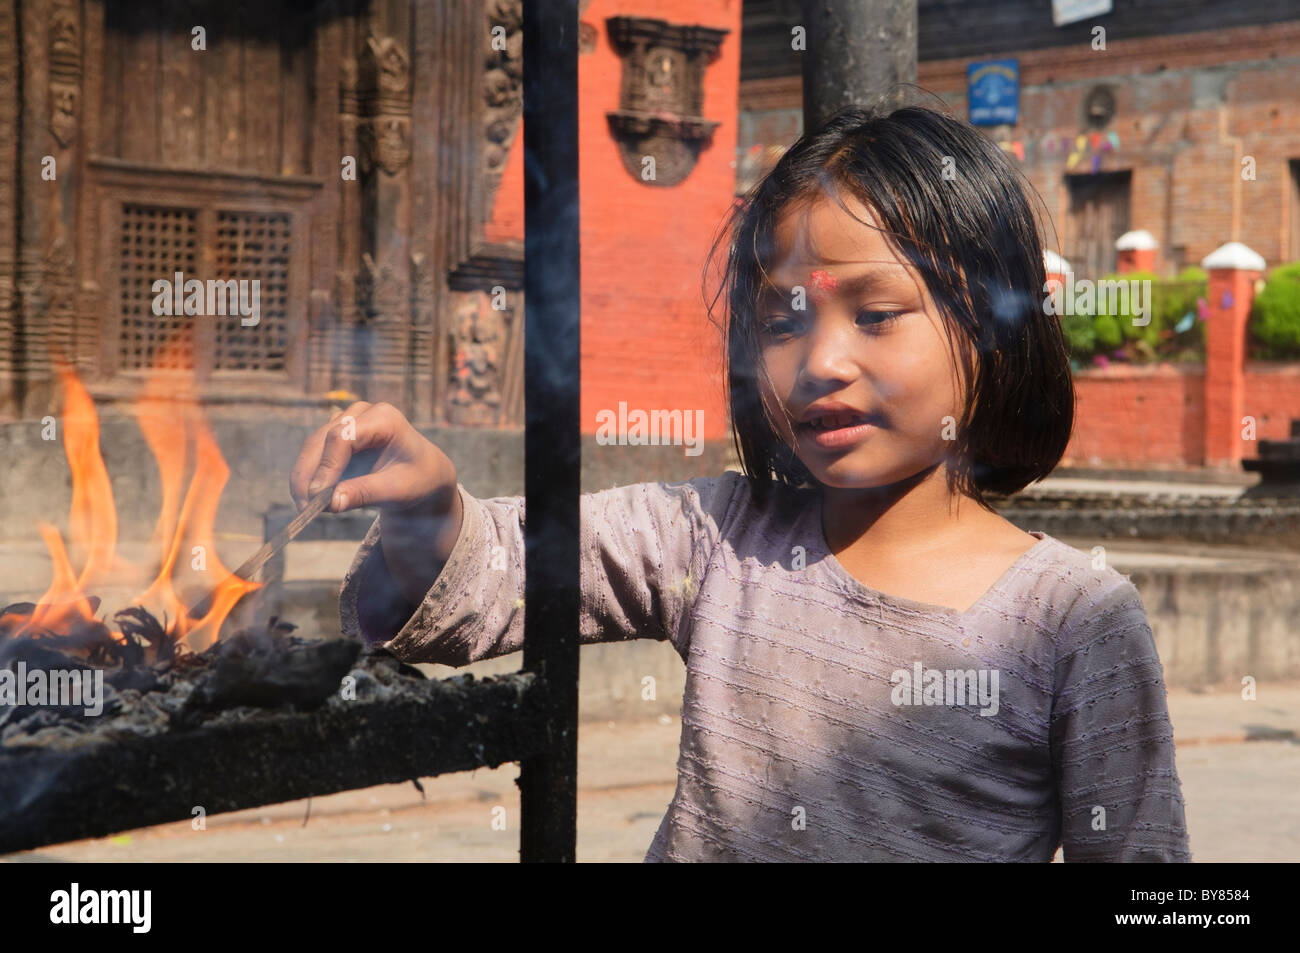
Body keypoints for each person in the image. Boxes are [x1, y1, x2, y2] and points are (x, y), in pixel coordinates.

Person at [291, 105, 1191, 862]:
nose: (822, 362)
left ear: (995, 324)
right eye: (781, 320)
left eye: (875, 315)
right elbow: (504, 574)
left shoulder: (1075, 620)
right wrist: (429, 511)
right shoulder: (718, 535)